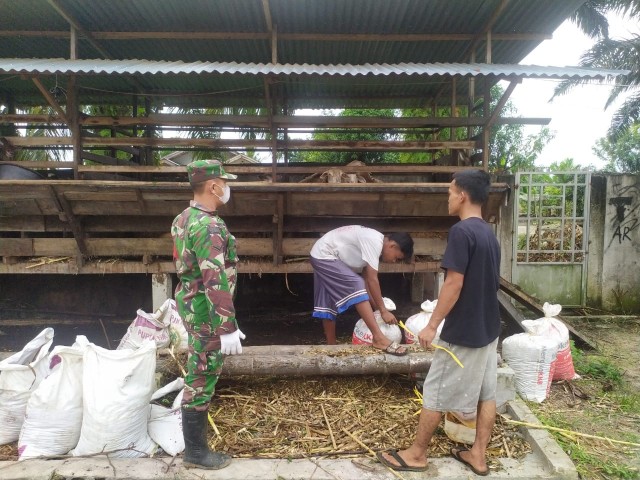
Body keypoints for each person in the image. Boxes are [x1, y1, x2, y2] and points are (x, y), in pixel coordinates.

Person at [377, 169, 500, 476]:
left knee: (435, 391)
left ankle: (417, 455)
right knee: (487, 393)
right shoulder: (488, 233)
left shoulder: (461, 232)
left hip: (464, 332)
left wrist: (432, 325)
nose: (447, 198)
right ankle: (478, 456)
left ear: (463, 196)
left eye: (449, 192)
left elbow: (453, 284)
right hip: (489, 328)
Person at [171, 159, 245, 470]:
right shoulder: (209, 225)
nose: (227, 188)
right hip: (208, 315)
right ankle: (196, 453)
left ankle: (195, 450)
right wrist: (226, 326)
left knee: (199, 370)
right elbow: (214, 277)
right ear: (213, 186)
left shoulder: (184, 218)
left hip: (192, 305)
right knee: (201, 377)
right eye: (225, 183)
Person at [310, 225, 414, 355]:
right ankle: (378, 338)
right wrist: (383, 310)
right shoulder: (374, 242)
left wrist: (377, 309)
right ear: (392, 246)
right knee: (356, 284)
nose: (393, 261)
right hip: (324, 255)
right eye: (396, 258)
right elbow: (371, 279)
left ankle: (331, 348)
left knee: (329, 298)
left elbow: (367, 282)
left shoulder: (374, 241)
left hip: (320, 254)